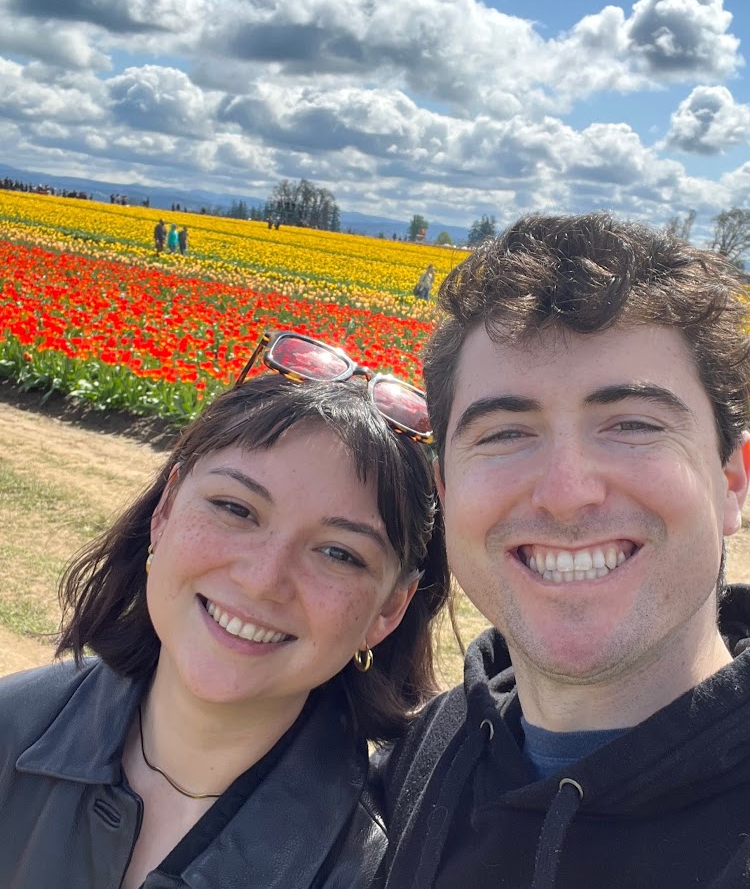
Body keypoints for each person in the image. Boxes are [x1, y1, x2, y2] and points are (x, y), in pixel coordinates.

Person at [376, 213, 750, 888]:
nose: (566, 494)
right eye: (504, 433)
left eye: (632, 425)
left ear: (731, 480)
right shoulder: (419, 766)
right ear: (447, 490)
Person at [0, 333, 450, 889]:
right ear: (165, 511)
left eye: (338, 553)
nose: (262, 581)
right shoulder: (12, 730)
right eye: (236, 509)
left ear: (390, 608)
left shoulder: (389, 872)